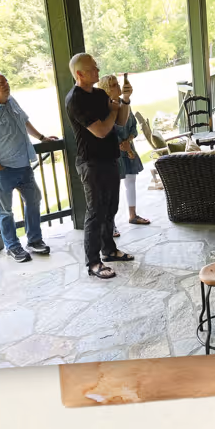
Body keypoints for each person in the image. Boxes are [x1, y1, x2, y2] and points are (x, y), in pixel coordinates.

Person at [0, 73, 58, 263]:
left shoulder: (11, 101)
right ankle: (12, 246)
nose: (6, 85)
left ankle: (34, 240)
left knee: (34, 199)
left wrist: (42, 138)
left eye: (6, 82)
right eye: (0, 84)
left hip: (23, 165)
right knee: (5, 211)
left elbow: (24, 121)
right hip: (1, 171)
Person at [65, 53, 134, 279]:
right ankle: (93, 263)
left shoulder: (99, 94)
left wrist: (124, 100)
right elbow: (102, 130)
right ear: (79, 73)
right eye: (93, 69)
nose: (97, 71)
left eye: (96, 67)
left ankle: (110, 250)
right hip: (90, 163)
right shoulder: (75, 99)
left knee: (110, 208)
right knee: (95, 213)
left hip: (110, 158)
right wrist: (114, 110)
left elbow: (121, 120)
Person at [104, 72, 151, 230]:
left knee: (131, 181)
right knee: (112, 187)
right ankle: (112, 224)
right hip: (113, 151)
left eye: (117, 84)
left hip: (128, 147)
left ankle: (133, 215)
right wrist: (120, 144)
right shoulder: (106, 109)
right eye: (113, 85)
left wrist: (128, 142)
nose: (117, 87)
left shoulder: (125, 106)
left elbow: (133, 127)